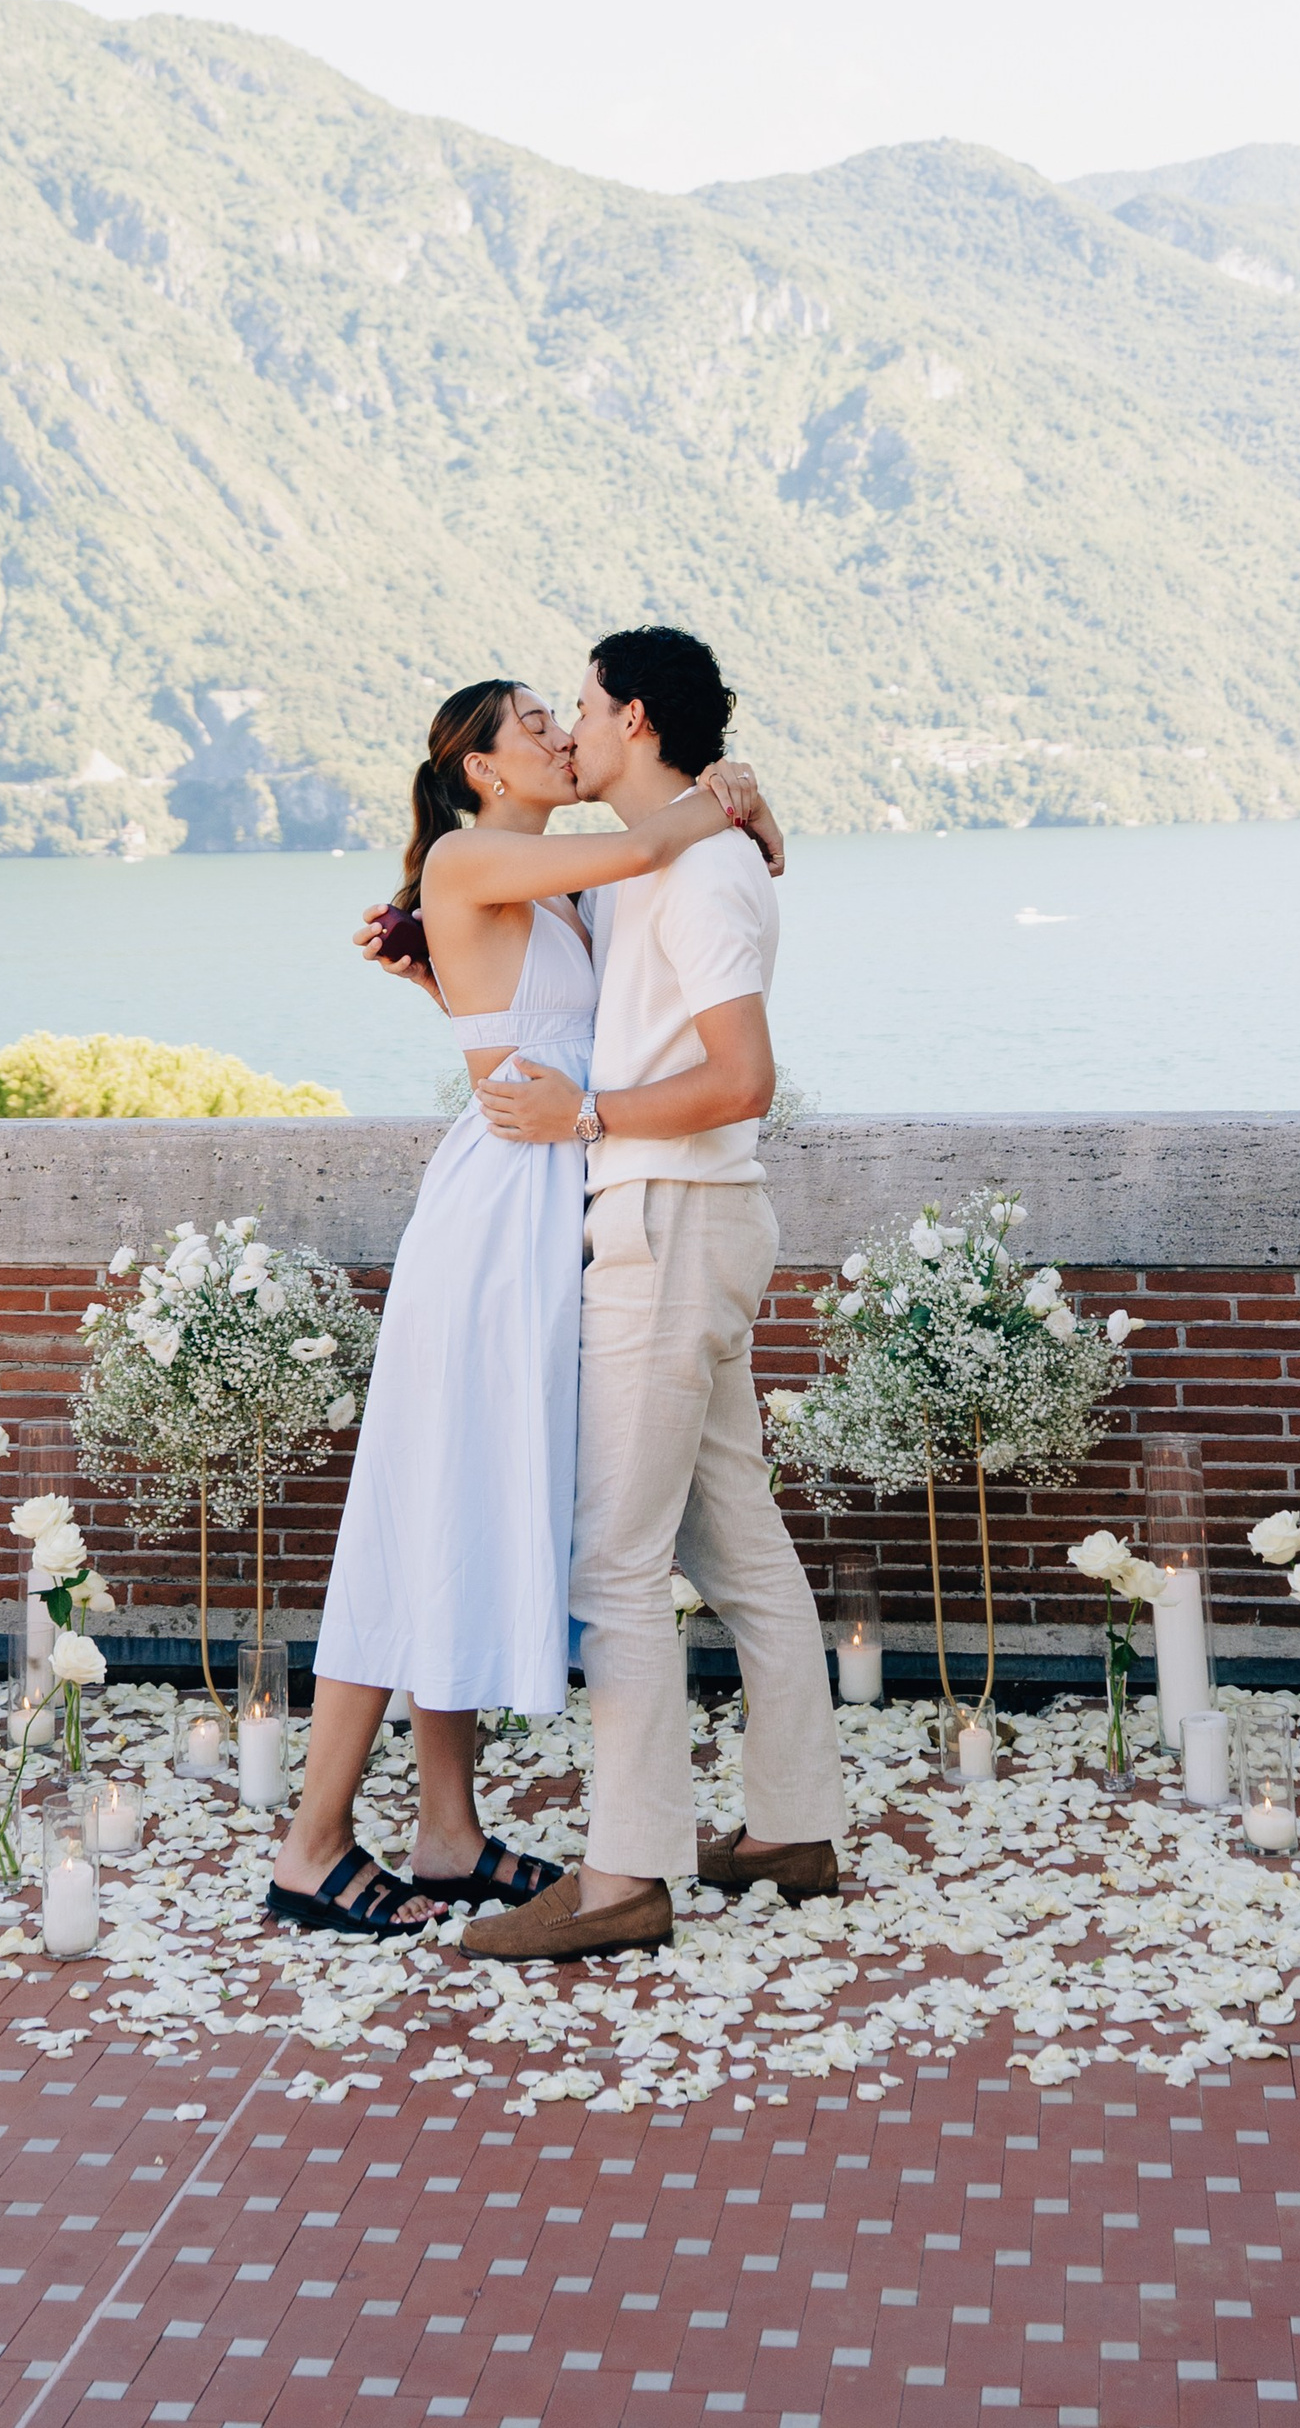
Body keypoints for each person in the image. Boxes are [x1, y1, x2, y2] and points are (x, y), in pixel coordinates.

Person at [267, 675, 777, 1939]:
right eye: (534, 724)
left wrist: (748, 812)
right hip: (498, 1213)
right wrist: (727, 792)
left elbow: (580, 967)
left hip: (564, 1196)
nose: (559, 735)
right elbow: (655, 842)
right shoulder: (468, 853)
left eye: (565, 715)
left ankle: (447, 1831)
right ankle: (311, 1844)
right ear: (484, 769)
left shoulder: (556, 888)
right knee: (413, 1512)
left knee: (460, 1511)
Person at [453, 624, 847, 1962]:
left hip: (672, 1221)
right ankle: (792, 1825)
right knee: (736, 1543)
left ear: (632, 717)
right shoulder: (659, 857)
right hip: (683, 1222)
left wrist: (583, 1118)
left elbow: (743, 1079)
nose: (568, 729)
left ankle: (624, 1874)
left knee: (613, 1560)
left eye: (579, 706)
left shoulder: (702, 873)